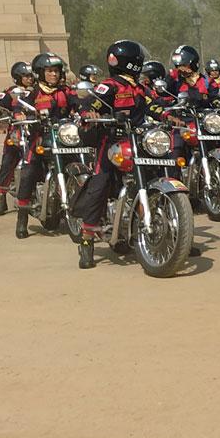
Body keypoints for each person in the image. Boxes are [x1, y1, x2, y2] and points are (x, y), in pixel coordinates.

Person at [71, 40, 153, 269]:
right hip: (111, 142)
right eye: (138, 58)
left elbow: (154, 105)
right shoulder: (110, 85)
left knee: (158, 169)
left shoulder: (139, 87)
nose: (141, 61)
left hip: (138, 141)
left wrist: (171, 114)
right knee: (101, 182)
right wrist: (88, 114)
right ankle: (87, 239)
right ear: (130, 61)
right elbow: (91, 104)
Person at [13, 52, 73, 238]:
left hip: (64, 138)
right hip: (40, 138)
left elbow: (81, 103)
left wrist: (88, 111)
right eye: (49, 71)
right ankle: (22, 218)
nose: (54, 75)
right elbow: (19, 107)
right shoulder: (33, 93)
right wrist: (21, 115)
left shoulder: (65, 91)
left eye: (56, 71)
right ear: (40, 73)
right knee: (29, 171)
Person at [0, 61, 36, 216]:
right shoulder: (11, 92)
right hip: (18, 131)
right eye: (26, 76)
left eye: (31, 75)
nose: (30, 79)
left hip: (36, 130)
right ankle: (0, 197)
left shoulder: (38, 91)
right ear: (18, 77)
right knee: (8, 161)